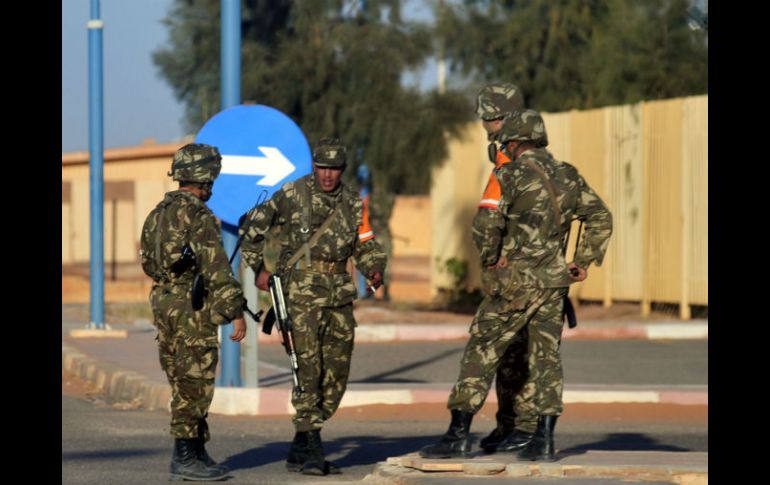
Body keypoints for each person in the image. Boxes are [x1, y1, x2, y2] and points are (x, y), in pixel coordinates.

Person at [419, 110, 612, 461]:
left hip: (515, 284)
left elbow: (484, 223)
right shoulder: (568, 175)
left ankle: (457, 435)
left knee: (482, 349)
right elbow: (601, 216)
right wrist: (581, 262)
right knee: (546, 359)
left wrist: (492, 258)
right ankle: (544, 439)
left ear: (513, 142)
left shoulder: (506, 175)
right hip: (555, 283)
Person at [239, 137, 387, 475]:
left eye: (334, 169)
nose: (327, 175)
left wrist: (375, 268)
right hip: (301, 294)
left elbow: (364, 243)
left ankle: (300, 445)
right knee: (307, 368)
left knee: (336, 373)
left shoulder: (352, 202)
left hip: (338, 294)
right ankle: (312, 447)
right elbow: (254, 227)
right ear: (314, 166)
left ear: (342, 170)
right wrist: (258, 266)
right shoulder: (293, 194)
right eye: (322, 167)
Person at [140, 143, 247, 481]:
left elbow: (148, 262)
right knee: (195, 381)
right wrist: (236, 312)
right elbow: (216, 270)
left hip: (164, 302)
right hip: (191, 306)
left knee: (180, 377)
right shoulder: (199, 216)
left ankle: (196, 453)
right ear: (206, 176)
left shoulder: (158, 212)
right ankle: (185, 459)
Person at [473, 82, 539, 454]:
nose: (488, 125)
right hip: (504, 271)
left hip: (526, 269)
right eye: (485, 119)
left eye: (493, 118)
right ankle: (508, 422)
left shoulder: (524, 159)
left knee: (526, 349)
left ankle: (526, 426)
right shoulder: (502, 158)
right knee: (505, 351)